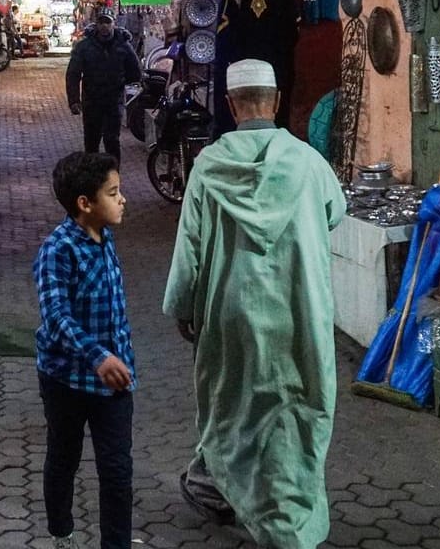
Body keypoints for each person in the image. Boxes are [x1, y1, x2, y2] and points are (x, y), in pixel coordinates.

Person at [164, 59, 345, 549]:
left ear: (229, 104)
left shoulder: (208, 165)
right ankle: (287, 512)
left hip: (231, 312)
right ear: (277, 100)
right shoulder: (308, 163)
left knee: (234, 406)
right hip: (299, 310)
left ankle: (225, 489)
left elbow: (190, 248)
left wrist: (182, 306)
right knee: (294, 407)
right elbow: (336, 213)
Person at [34, 152, 135, 549]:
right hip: (66, 380)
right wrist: (98, 356)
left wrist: (118, 358)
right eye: (113, 193)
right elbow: (56, 317)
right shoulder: (57, 250)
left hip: (113, 381)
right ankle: (62, 533)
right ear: (84, 203)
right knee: (64, 457)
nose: (123, 199)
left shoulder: (104, 237)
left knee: (117, 470)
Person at [65, 11, 140, 158]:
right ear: (96, 24)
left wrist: (124, 83)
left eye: (108, 22)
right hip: (91, 100)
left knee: (112, 140)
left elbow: (135, 71)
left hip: (114, 100)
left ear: (114, 24)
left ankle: (112, 176)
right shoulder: (84, 47)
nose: (104, 26)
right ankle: (92, 177)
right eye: (101, 22)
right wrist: (74, 101)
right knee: (91, 142)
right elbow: (73, 74)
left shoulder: (123, 46)